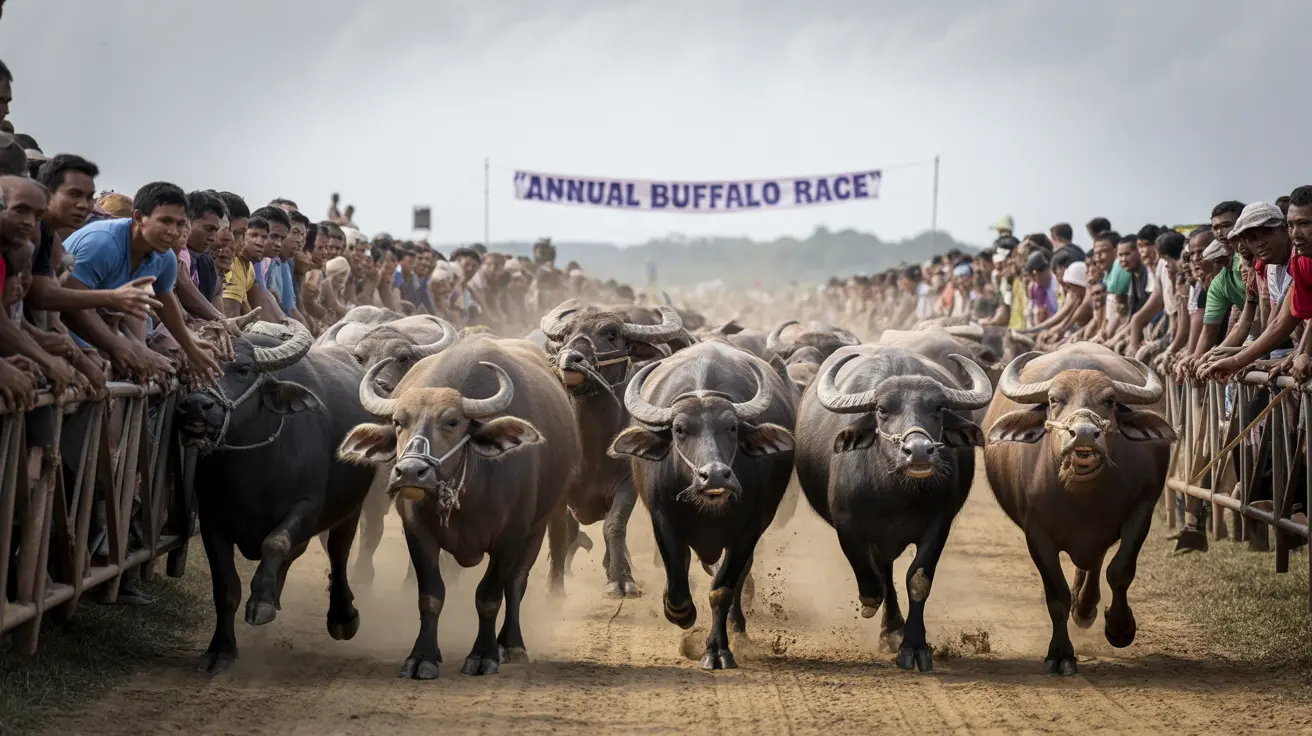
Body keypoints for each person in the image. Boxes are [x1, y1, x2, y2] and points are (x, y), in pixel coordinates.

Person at [61, 181, 220, 385]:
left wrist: (191, 348)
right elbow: (73, 307)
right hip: (60, 322)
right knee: (102, 374)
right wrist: (122, 348)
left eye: (180, 224)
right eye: (165, 221)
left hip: (102, 326)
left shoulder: (164, 255)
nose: (174, 232)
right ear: (138, 217)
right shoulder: (103, 243)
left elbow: (166, 302)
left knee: (148, 375)